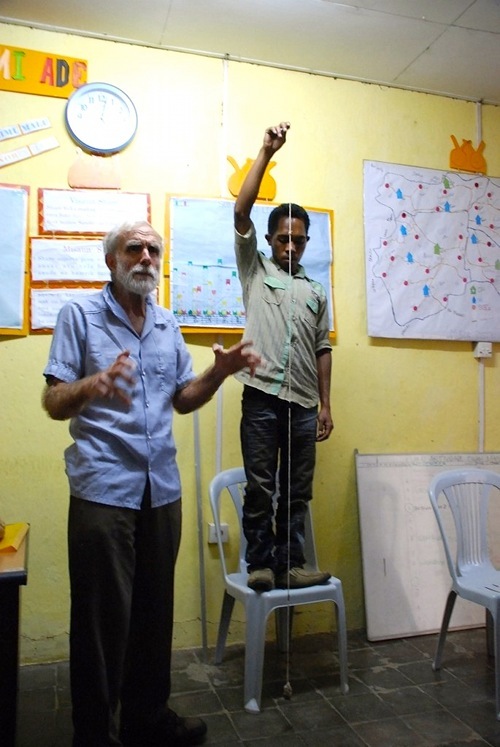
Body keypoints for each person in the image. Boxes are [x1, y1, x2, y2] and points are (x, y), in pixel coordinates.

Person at [42, 220, 262, 747]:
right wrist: (91, 385)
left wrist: (219, 374)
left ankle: (147, 716)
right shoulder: (81, 316)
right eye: (133, 248)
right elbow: (52, 401)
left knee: (153, 614)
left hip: (160, 488)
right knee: (101, 625)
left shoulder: (167, 324)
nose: (145, 256)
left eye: (153, 249)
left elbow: (182, 398)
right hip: (103, 490)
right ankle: (95, 734)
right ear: (111, 260)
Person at [233, 121, 334, 593]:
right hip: (260, 400)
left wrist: (325, 405)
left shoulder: (315, 290)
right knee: (261, 489)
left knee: (296, 493)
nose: (290, 246)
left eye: (298, 240)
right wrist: (266, 152)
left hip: (303, 404)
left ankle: (291, 564)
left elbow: (322, 349)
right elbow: (241, 209)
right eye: (282, 239)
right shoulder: (255, 271)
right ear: (270, 241)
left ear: (307, 242)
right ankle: (261, 565)